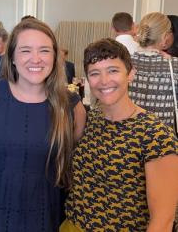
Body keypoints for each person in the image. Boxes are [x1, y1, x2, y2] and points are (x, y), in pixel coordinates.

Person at [61, 38, 178, 232]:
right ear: (88, 80)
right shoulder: (93, 119)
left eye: (113, 70)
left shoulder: (156, 135)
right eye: (95, 73)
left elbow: (162, 222)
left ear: (131, 74)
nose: (104, 80)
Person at [0, 18, 86, 231]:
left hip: (48, 215)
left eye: (44, 50)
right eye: (25, 50)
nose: (36, 59)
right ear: (11, 56)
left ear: (55, 56)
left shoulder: (70, 106)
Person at [129, 12, 178, 132]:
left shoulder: (124, 63)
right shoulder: (175, 65)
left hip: (129, 135)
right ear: (165, 36)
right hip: (163, 139)